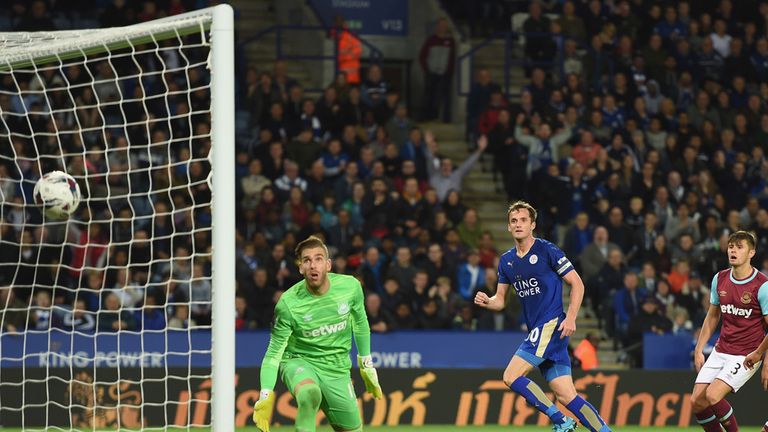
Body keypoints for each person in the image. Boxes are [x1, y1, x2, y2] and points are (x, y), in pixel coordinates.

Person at [474, 201, 611, 432]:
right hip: (541, 331)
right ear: (508, 227)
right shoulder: (507, 261)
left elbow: (577, 283)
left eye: (523, 220)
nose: (518, 225)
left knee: (510, 375)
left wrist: (572, 317)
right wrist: (488, 301)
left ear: (533, 225)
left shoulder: (547, 250)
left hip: (551, 325)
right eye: (514, 221)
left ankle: (560, 421)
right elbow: (500, 300)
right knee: (567, 395)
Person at [253, 236, 382, 432]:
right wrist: (265, 394)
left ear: (328, 264)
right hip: (299, 360)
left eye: (318, 259)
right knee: (309, 392)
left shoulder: (351, 287)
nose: (313, 265)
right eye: (307, 260)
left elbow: (361, 323)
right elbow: (273, 353)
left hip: (337, 369)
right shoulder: (288, 304)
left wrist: (366, 364)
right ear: (301, 268)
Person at [691, 231, 768, 432]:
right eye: (730, 246)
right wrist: (699, 349)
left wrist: (762, 356)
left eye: (739, 247)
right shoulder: (720, 278)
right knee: (697, 403)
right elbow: (713, 315)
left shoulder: (762, 286)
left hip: (747, 354)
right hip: (721, 349)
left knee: (713, 395)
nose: (733, 250)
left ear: (751, 253)